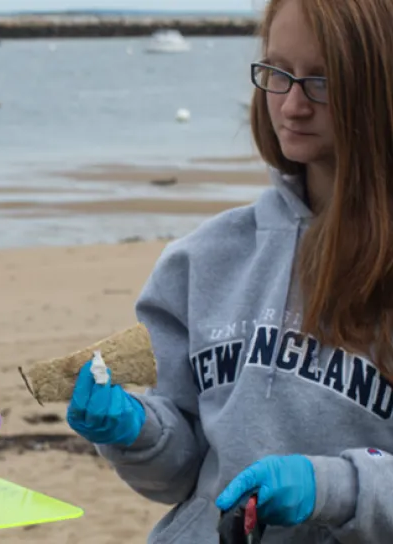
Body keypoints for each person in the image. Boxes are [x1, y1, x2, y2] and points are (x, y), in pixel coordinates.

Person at [66, 0, 393, 541]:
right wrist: (136, 430)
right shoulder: (204, 258)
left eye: (322, 81)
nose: (291, 105)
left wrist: (336, 487)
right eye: (278, 73)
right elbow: (178, 474)